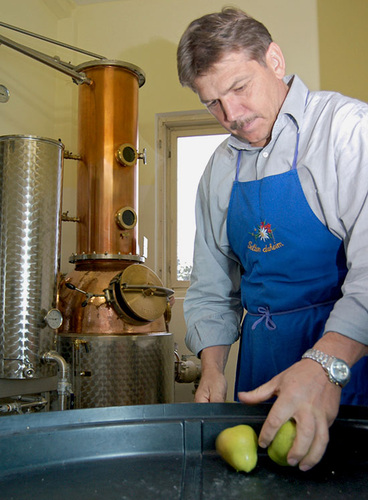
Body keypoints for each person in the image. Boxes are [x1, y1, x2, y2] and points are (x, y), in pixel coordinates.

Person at [177, 7, 368, 471]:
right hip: (260, 371)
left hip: (347, 363)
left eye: (239, 88)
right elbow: (212, 287)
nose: (231, 116)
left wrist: (327, 367)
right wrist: (215, 369)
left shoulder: (346, 130)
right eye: (212, 103)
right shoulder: (219, 170)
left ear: (275, 61)